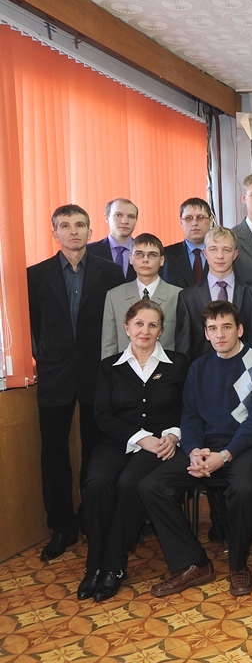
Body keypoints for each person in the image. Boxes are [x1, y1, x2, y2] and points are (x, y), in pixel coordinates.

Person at [138, 301, 252, 598]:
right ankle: (195, 563)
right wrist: (194, 450)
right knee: (151, 486)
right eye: (213, 328)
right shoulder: (198, 368)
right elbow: (190, 417)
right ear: (206, 334)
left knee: (244, 489)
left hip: (245, 447)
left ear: (240, 330)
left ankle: (238, 565)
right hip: (204, 447)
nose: (220, 334)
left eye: (226, 327)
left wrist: (224, 456)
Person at [28, 204, 124, 562]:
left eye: (80, 225)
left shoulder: (110, 272)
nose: (73, 231)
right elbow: (33, 326)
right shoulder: (35, 275)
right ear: (55, 232)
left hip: (96, 373)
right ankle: (61, 527)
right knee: (53, 454)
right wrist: (46, 356)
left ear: (89, 231)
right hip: (54, 375)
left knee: (96, 450)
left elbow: (116, 322)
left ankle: (91, 517)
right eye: (65, 225)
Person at [79, 301, 189, 602]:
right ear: (127, 328)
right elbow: (102, 415)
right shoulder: (109, 366)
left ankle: (113, 566)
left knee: (130, 484)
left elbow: (188, 408)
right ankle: (94, 566)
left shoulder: (178, 363)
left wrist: (173, 435)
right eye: (139, 323)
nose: (145, 330)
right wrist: (141, 438)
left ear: (161, 331)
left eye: (153, 325)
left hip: (161, 444)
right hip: (117, 441)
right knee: (97, 483)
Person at [174, 226, 252, 363]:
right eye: (213, 249)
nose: (220, 256)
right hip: (203, 372)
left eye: (226, 250)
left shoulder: (251, 293)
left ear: (235, 255)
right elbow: (184, 348)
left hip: (244, 370)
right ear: (205, 253)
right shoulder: (188, 298)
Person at [100, 234, 181, 358]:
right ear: (130, 259)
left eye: (152, 255)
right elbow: (109, 344)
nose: (145, 260)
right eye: (139, 254)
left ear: (162, 260)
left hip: (165, 367)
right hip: (124, 367)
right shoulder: (114, 296)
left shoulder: (178, 296)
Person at [162, 198, 214, 289]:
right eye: (188, 218)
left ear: (211, 221)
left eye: (200, 217)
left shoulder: (222, 254)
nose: (194, 223)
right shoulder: (165, 255)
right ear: (181, 222)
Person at [87, 198, 138, 282]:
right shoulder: (88, 252)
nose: (125, 221)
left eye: (131, 217)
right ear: (107, 218)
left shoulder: (146, 253)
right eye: (118, 215)